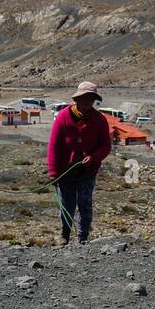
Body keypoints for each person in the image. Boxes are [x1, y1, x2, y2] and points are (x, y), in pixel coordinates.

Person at [47, 81, 112, 246]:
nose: (87, 101)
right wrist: (53, 173)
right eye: (84, 97)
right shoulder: (63, 117)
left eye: (90, 98)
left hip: (87, 172)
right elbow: (53, 146)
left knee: (85, 204)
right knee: (66, 205)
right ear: (77, 99)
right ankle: (65, 234)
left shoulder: (100, 120)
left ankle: (83, 237)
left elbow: (105, 146)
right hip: (65, 172)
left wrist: (94, 157)